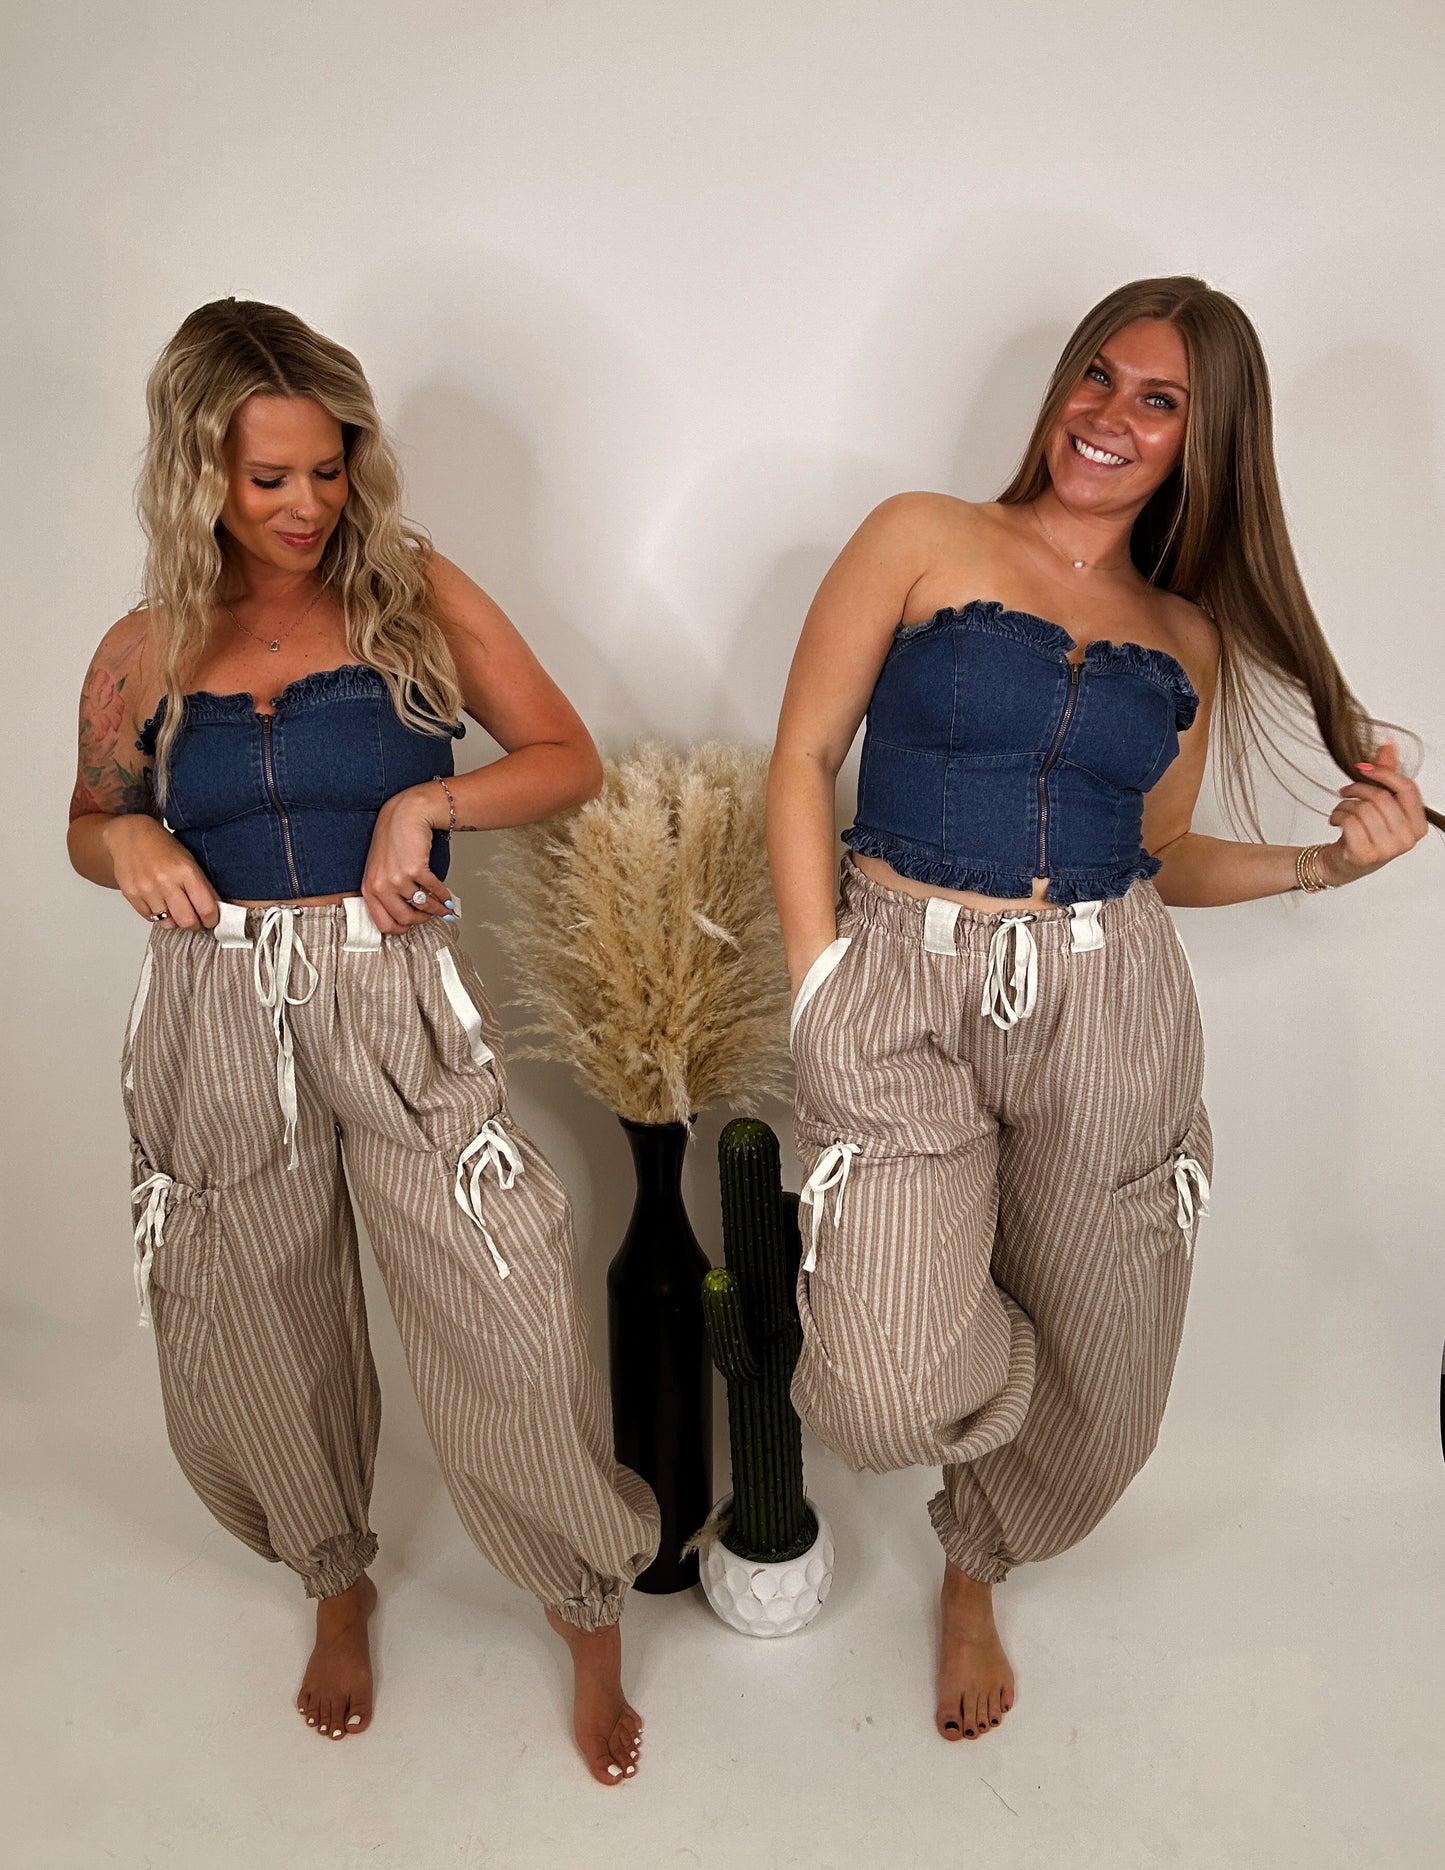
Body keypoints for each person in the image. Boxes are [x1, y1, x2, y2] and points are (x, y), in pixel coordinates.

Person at [767, 276, 1433, 1745]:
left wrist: (1325, 864)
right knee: (877, 1387)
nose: (1109, 414)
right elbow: (803, 758)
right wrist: (820, 985)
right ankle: (1016, 1335)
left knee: (1111, 1399)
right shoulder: (921, 534)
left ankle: (974, 1565)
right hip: (898, 977)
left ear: (1203, 443)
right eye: (1097, 375)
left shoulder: (1184, 638)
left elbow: (1160, 853)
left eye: (1158, 401)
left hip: (1111, 999)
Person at [67, 298, 657, 1784]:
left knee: (500, 1289)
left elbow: (566, 757)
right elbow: (89, 819)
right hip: (212, 1001)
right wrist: (124, 837)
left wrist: (426, 802)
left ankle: (584, 1598)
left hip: (390, 988)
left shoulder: (410, 594)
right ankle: (334, 1578)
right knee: (252, 1311)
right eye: (268, 477)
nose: (306, 505)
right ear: (196, 472)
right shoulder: (143, 649)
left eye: (327, 469)